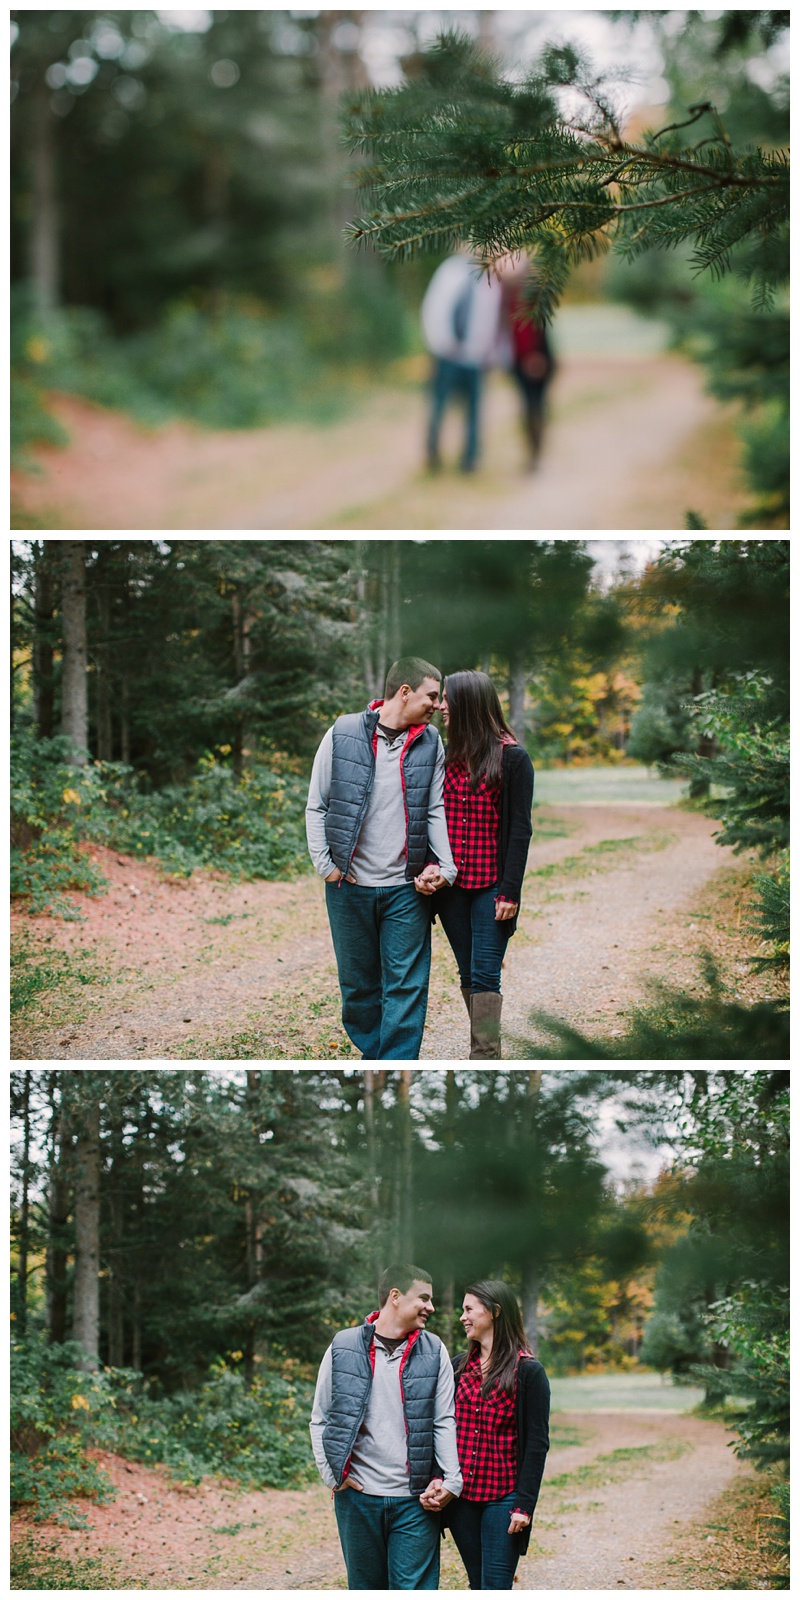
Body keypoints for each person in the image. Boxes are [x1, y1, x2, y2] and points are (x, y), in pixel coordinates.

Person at [305, 656, 456, 1061]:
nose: (438, 705)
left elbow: (436, 807)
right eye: (432, 696)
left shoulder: (431, 742)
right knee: (358, 987)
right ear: (404, 692)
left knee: (406, 986)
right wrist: (326, 865)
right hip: (348, 888)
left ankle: (394, 1063)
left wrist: (446, 866)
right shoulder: (342, 732)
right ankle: (377, 1058)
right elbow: (317, 805)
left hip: (406, 889)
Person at [309, 1262, 463, 1591]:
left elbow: (443, 1420)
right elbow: (320, 1416)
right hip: (358, 1501)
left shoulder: (435, 1350)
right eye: (423, 1297)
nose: (431, 1307)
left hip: (415, 1501)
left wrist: (452, 1479)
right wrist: (331, 1472)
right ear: (395, 1296)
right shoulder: (343, 1346)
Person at [416, 669, 533, 1059]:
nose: (442, 706)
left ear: (469, 704)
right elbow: (433, 819)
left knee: (486, 973)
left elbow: (520, 830)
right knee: (468, 973)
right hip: (451, 888)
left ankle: (484, 1056)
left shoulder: (513, 758)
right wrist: (432, 866)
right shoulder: (446, 756)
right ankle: (486, 1050)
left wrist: (510, 892)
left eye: (448, 698)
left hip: (490, 885)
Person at [421, 1279, 550, 1591]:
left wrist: (524, 1505)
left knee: (495, 1586)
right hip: (461, 1499)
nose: (462, 1317)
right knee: (478, 1584)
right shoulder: (456, 1368)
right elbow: (443, 1429)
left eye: (469, 1310)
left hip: (503, 1497)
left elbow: (537, 1445)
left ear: (494, 1312)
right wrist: (438, 1475)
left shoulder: (529, 1372)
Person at [420, 251, 505, 473]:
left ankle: (470, 459)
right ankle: (432, 453)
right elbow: (433, 308)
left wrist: (489, 353)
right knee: (439, 405)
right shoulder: (449, 271)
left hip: (475, 356)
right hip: (447, 353)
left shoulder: (490, 280)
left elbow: (492, 319)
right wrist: (441, 343)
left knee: (475, 411)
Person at [501, 256, 556, 469]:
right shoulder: (509, 296)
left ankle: (536, 455)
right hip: (519, 361)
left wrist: (536, 355)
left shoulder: (533, 296)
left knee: (536, 408)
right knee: (527, 409)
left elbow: (538, 330)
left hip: (536, 360)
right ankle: (532, 454)